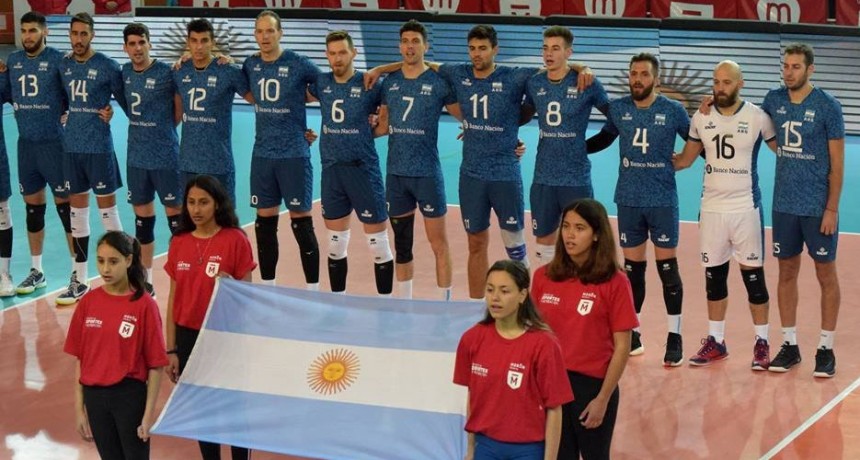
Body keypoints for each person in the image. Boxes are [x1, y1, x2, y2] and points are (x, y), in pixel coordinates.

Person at [366, 24, 592, 300]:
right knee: (476, 245)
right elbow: (420, 62)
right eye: (472, 48)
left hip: (505, 175)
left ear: (495, 50)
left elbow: (555, 68)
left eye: (483, 48)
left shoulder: (514, 76)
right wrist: (380, 69)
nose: (477, 54)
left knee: (515, 247)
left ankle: (525, 306)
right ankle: (475, 308)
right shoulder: (458, 73)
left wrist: (582, 67)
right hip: (471, 176)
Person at [587, 53, 690, 366]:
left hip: (662, 200)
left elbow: (696, 139)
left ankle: (675, 335)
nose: (638, 80)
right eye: (633, 74)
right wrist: (571, 145)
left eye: (644, 74)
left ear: (655, 79)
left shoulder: (673, 111)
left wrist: (687, 160)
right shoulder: (619, 109)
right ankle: (633, 332)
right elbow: (605, 138)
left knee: (667, 269)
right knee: (632, 272)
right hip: (629, 199)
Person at [675, 60, 776, 369]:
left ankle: (762, 342)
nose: (720, 88)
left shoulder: (758, 117)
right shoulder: (700, 118)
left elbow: (784, 152)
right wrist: (647, 160)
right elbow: (685, 160)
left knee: (754, 279)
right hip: (712, 210)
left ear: (740, 83)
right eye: (716, 82)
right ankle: (716, 341)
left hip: (745, 208)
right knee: (714, 279)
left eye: (726, 82)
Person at [532, 199, 638, 459]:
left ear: (596, 235)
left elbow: (623, 346)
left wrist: (602, 399)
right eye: (566, 226)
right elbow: (532, 336)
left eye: (580, 228)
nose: (570, 234)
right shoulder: (543, 277)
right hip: (552, 385)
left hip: (591, 388)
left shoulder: (615, 282)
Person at [761, 43, 844, 377]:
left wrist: (832, 209)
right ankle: (790, 345)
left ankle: (825, 348)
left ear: (811, 69)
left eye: (796, 67)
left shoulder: (828, 106)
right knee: (786, 273)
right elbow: (752, 121)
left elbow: (837, 163)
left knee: (825, 273)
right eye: (786, 66)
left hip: (816, 207)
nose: (789, 72)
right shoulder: (774, 100)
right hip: (784, 205)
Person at [164, 175, 256, 460]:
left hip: (225, 336)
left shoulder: (235, 240)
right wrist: (171, 348)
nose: (196, 209)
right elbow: (173, 300)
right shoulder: (179, 241)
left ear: (217, 204)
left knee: (233, 409)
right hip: (189, 336)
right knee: (202, 409)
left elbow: (247, 297)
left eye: (203, 202)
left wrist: (231, 286)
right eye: (191, 202)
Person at [373, 19, 462, 300]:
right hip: (397, 175)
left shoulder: (438, 82)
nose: (409, 47)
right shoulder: (391, 82)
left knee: (439, 243)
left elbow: (468, 117)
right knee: (402, 244)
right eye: (405, 41)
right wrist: (349, 133)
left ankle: (444, 303)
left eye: (415, 41)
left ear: (426, 45)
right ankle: (406, 303)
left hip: (427, 175)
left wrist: (508, 141)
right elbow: (384, 126)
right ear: (399, 46)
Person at [64, 231, 168, 460]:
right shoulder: (88, 302)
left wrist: (148, 415)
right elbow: (81, 360)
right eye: (100, 261)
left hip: (128, 397)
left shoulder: (144, 306)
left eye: (113, 262)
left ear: (128, 261)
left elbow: (156, 365)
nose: (105, 269)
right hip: (95, 400)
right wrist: (79, 410)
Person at [454, 259, 572, 460]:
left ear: (522, 295)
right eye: (490, 290)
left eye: (504, 291)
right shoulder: (471, 339)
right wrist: (471, 449)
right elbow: (473, 397)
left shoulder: (544, 345)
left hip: (528, 450)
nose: (495, 298)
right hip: (486, 446)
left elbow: (554, 408)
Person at [306, 30, 394, 296]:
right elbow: (291, 100)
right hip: (332, 171)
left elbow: (387, 120)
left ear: (353, 52)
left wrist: (377, 126)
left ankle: (386, 306)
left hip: (363, 170)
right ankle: (338, 303)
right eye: (332, 53)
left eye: (342, 52)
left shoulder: (370, 84)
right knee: (335, 245)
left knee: (378, 245)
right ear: (326, 56)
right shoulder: (321, 82)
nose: (337, 58)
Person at [242, 10, 321, 289]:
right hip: (263, 155)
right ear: (255, 34)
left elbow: (326, 85)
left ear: (280, 33)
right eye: (260, 31)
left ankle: (313, 290)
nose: (264, 37)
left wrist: (303, 100)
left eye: (270, 31)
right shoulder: (250, 65)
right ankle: (268, 288)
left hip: (294, 156)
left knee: (302, 224)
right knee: (264, 225)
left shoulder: (297, 63)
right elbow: (246, 91)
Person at [522, 26, 610, 267]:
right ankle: (546, 297)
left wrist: (589, 146)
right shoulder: (534, 82)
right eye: (545, 48)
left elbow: (615, 118)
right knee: (544, 240)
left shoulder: (586, 82)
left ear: (568, 52)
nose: (548, 54)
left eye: (555, 48)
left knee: (581, 240)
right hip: (544, 177)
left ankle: (581, 294)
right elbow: (521, 116)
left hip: (575, 178)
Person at [6, 11, 77, 297]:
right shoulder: (13, 61)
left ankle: (77, 270)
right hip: (27, 146)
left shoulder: (59, 60)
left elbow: (76, 92)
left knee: (66, 209)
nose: (27, 36)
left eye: (33, 30)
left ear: (45, 31)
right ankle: (37, 271)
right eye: (24, 31)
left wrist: (71, 112)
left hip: (54, 145)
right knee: (33, 210)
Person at [59, 12, 128, 306]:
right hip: (72, 149)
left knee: (108, 214)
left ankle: (127, 274)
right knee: (77, 216)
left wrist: (111, 110)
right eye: (74, 34)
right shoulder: (63, 65)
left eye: (83, 34)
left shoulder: (108, 67)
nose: (78, 39)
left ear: (92, 34)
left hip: (99, 148)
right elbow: (60, 97)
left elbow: (126, 101)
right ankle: (80, 277)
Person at [121, 22, 183, 298]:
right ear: (125, 48)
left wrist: (166, 129)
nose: (137, 48)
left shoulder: (166, 72)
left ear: (149, 43)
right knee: (143, 223)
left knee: (176, 222)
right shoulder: (123, 72)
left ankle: (183, 277)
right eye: (132, 44)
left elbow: (178, 109)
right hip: (136, 158)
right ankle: (146, 280)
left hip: (166, 156)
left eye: (141, 42)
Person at [174, 18, 253, 205]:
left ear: (213, 43)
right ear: (188, 43)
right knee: (191, 221)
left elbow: (260, 103)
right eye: (194, 41)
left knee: (224, 221)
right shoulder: (179, 71)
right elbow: (171, 112)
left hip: (218, 163)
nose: (199, 46)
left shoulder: (228, 71)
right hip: (187, 164)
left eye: (204, 41)